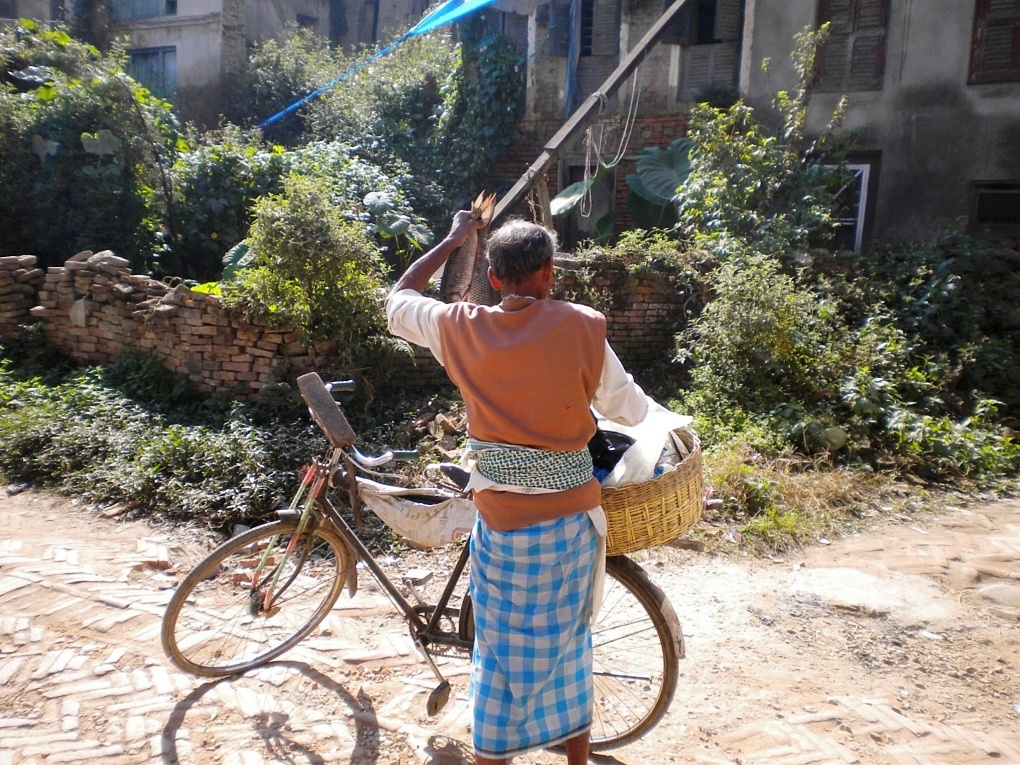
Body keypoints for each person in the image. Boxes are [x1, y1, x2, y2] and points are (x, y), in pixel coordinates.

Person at [385, 211, 648, 765]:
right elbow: (630, 409)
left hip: (502, 527)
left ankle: (495, 755)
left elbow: (400, 296)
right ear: (549, 272)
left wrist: (453, 239)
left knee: (499, 654)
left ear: (494, 276)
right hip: (572, 525)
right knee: (571, 647)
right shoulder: (583, 326)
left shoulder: (457, 326)